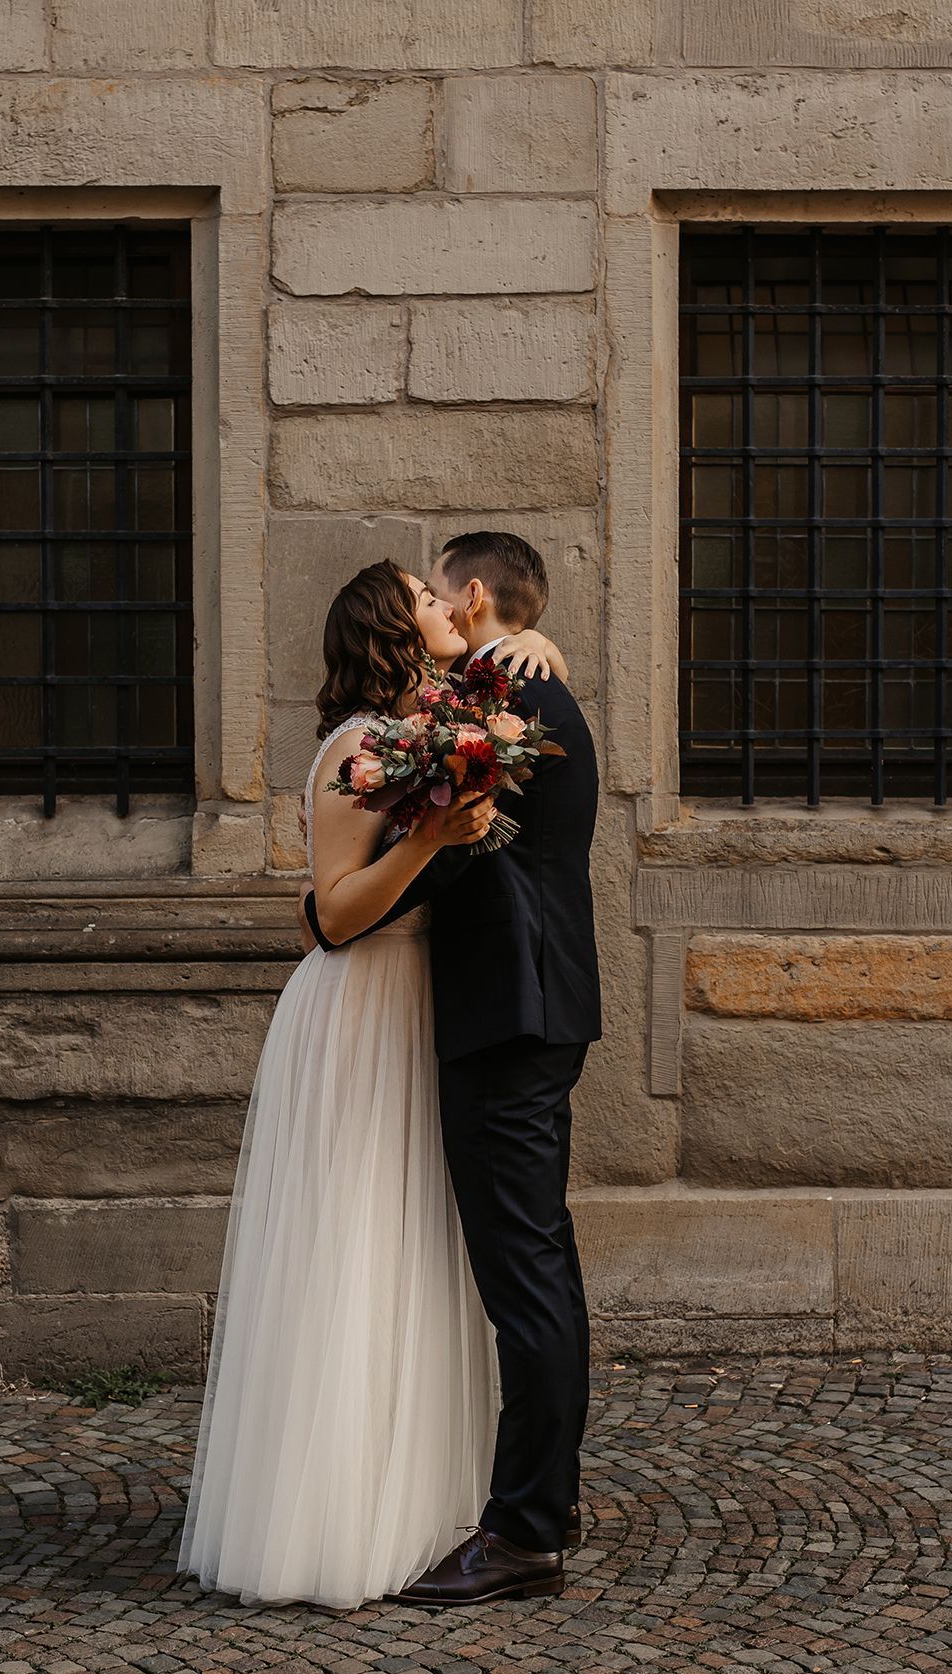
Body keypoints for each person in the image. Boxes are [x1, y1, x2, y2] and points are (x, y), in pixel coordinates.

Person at [176, 557, 565, 1611]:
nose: (448, 606)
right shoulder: (359, 745)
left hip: (411, 1006)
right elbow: (338, 911)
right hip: (359, 1006)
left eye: (450, 595)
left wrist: (541, 649)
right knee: (351, 1248)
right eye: (426, 600)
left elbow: (510, 689)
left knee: (400, 1252)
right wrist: (433, 837)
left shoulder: (423, 729)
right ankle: (329, 1520)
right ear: (393, 628)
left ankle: (404, 1501)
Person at [304, 531, 602, 1607]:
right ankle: (548, 1494)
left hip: (504, 1014)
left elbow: (451, 833)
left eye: (438, 592)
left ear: (472, 602)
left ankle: (521, 1534)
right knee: (543, 1266)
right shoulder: (519, 688)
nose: (431, 605)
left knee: (522, 1279)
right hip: (541, 1005)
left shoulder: (496, 696)